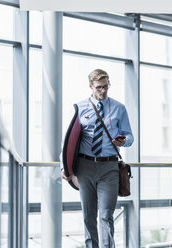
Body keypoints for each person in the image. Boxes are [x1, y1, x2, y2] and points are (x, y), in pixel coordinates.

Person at [61, 69, 134, 248]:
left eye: (106, 87)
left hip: (109, 168)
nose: (103, 91)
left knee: (106, 215)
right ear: (91, 86)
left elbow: (130, 137)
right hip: (84, 167)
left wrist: (123, 142)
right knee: (88, 215)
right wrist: (65, 166)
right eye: (99, 87)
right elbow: (69, 139)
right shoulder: (80, 107)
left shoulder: (119, 108)